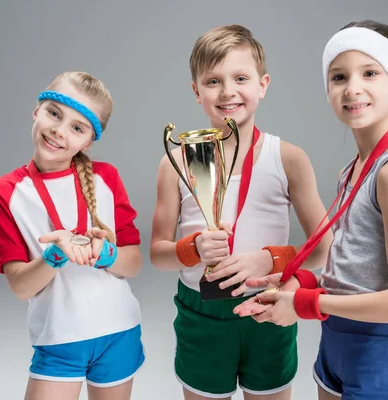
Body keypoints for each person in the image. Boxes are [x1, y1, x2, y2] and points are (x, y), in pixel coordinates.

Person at [234, 20, 388, 400]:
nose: (352, 88)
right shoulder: (353, 169)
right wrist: (298, 284)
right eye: (339, 76)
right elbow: (348, 267)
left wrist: (305, 303)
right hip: (335, 340)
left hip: (376, 349)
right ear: (328, 92)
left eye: (370, 73)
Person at [150, 24, 332, 400]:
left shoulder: (288, 159)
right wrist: (193, 249)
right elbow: (158, 254)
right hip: (201, 313)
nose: (228, 91)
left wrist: (271, 259)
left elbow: (324, 248)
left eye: (241, 78)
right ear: (196, 91)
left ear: (263, 85)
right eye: (213, 81)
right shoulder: (176, 163)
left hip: (268, 303)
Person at [0, 71, 144, 400]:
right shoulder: (4, 193)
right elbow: (20, 285)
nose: (59, 130)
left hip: (120, 331)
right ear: (36, 111)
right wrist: (55, 255)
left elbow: (134, 263)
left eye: (77, 127)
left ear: (88, 141)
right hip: (59, 338)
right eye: (54, 113)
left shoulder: (107, 178)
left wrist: (107, 254)